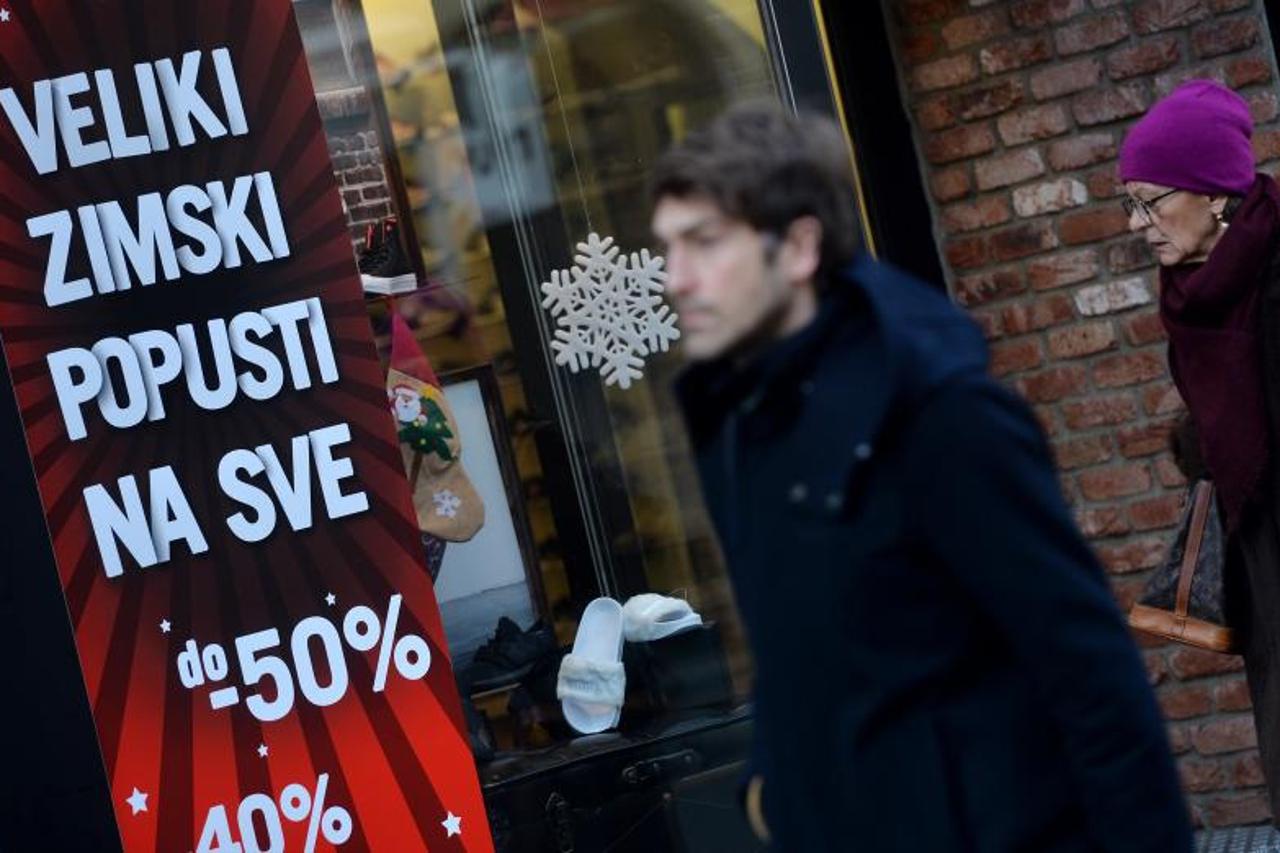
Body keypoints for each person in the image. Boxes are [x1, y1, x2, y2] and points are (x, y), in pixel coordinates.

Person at [650, 102, 1191, 851]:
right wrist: (773, 792)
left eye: (704, 242)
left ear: (799, 247)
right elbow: (791, 651)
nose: (675, 278)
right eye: (668, 246)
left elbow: (1088, 668)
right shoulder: (738, 422)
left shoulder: (940, 411)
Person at [1120, 79, 1280, 822]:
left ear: (1214, 192)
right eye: (1130, 204)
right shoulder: (1193, 297)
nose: (1136, 222)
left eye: (1149, 201)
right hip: (1264, 561)